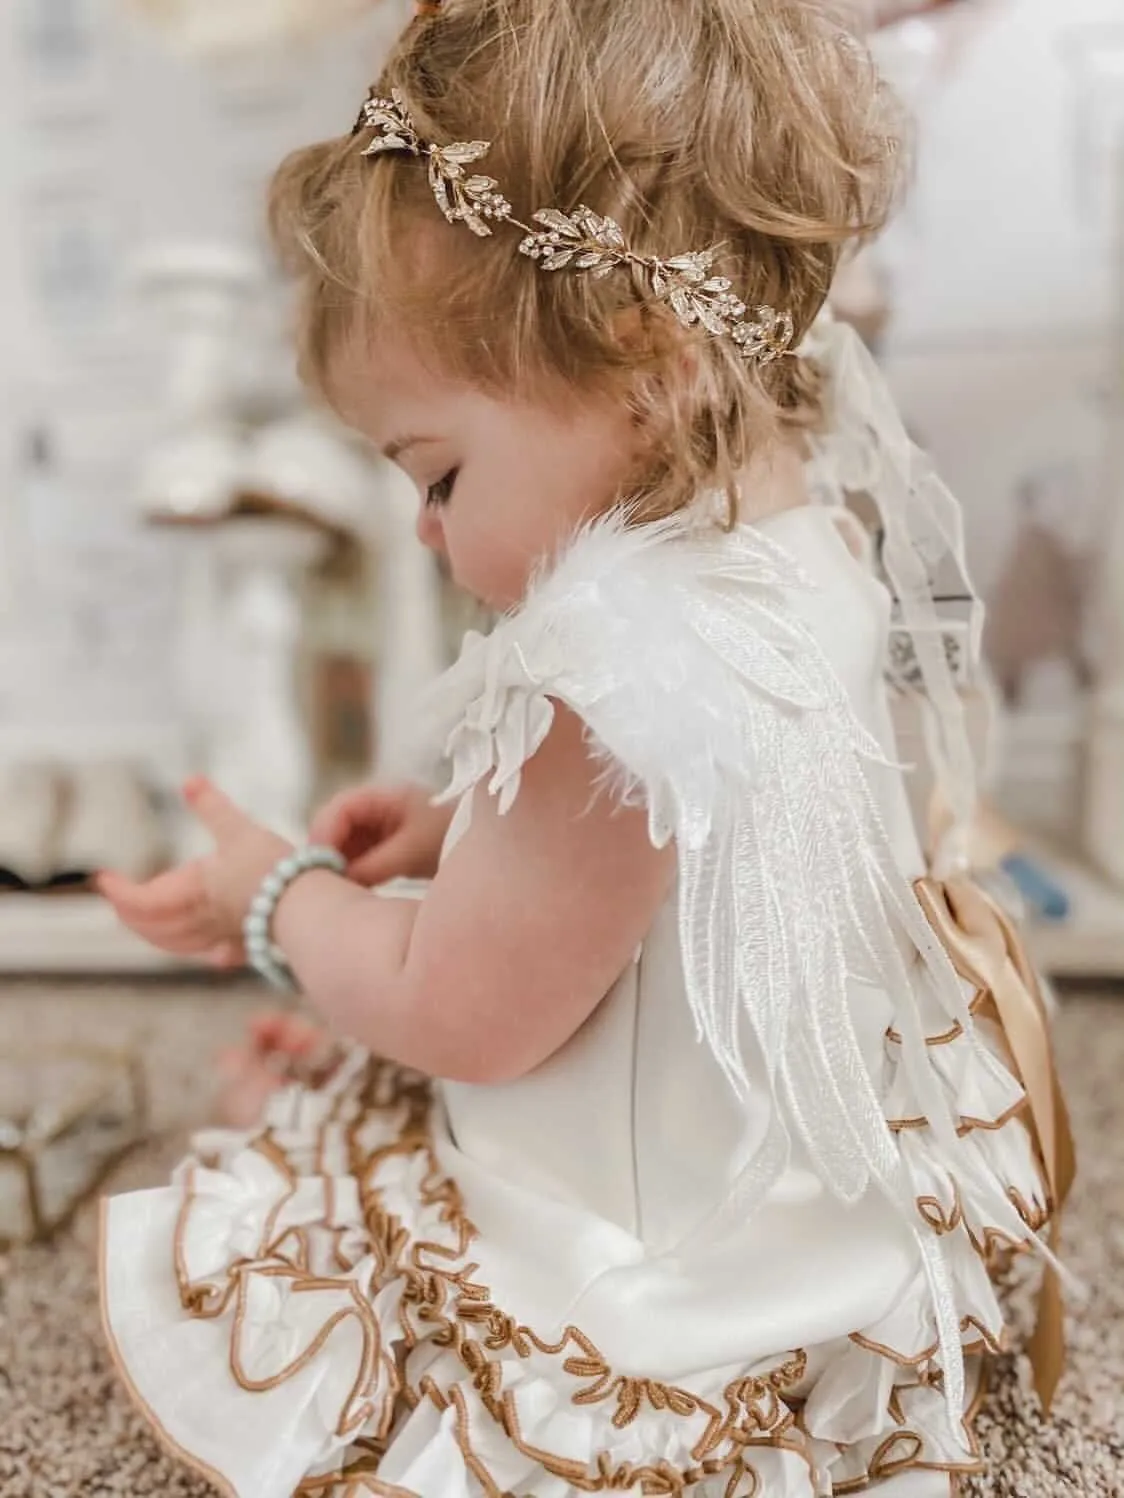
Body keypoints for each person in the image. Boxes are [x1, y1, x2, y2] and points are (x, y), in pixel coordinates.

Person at [97, 2, 1072, 1494]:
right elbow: (670, 839)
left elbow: (464, 1013)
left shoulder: (607, 661)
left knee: (290, 1187)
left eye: (437, 474)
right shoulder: (795, 526)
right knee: (333, 1081)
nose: (424, 533)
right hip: (783, 1165)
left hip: (654, 1262)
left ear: (645, 352)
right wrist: (446, 827)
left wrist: (275, 895)